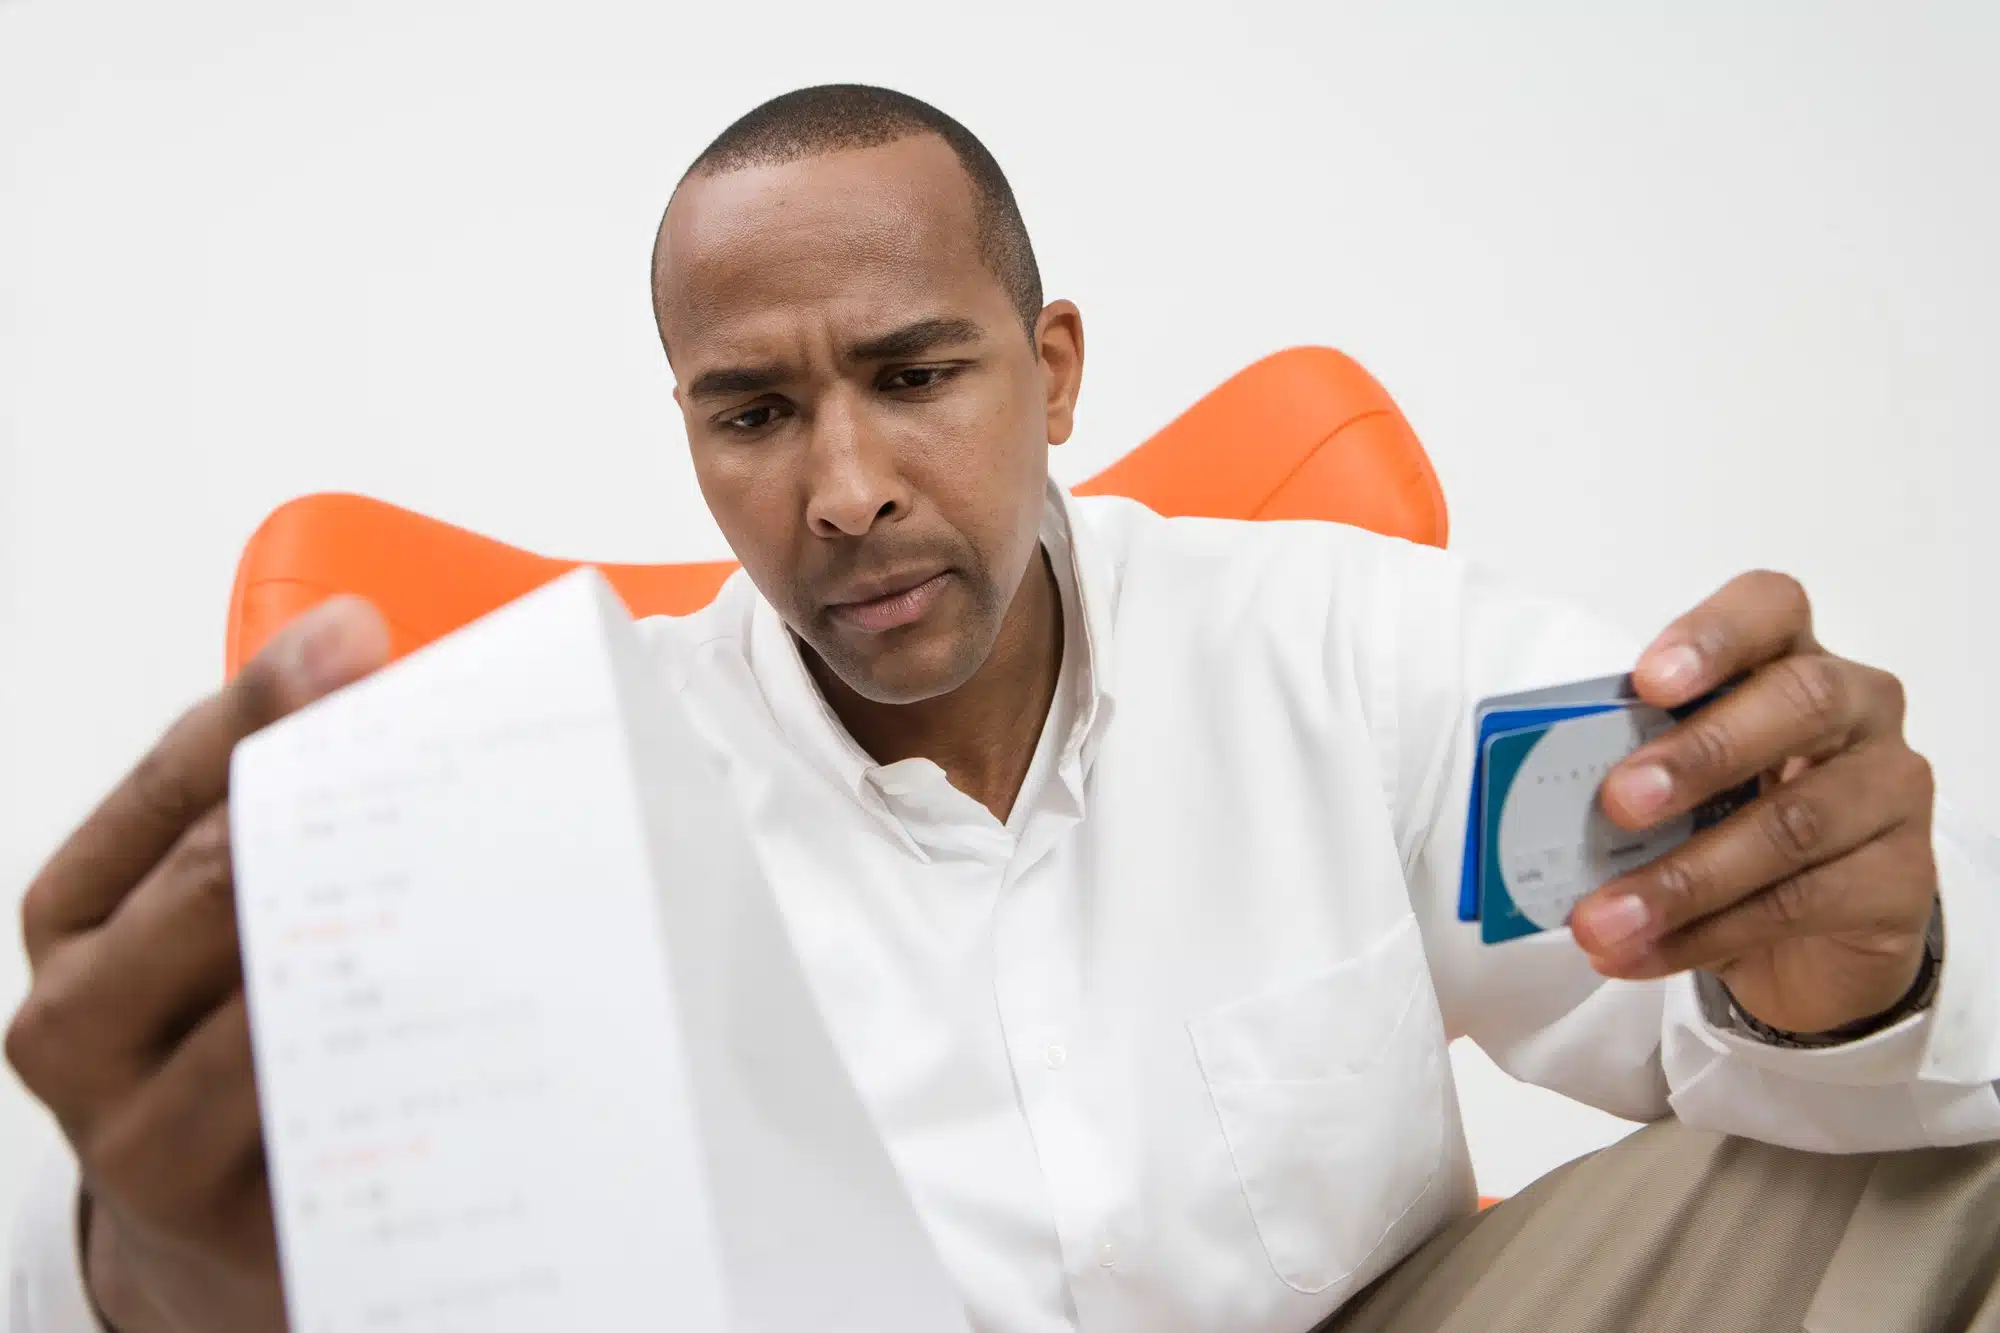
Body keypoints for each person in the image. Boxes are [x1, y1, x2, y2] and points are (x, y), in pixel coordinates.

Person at [8, 83, 1999, 1333]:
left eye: (913, 375)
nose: (843, 486)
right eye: (754, 412)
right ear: (688, 431)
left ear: (1050, 371)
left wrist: (1851, 979)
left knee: (1944, 1153)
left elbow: (1747, 1030)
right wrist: (144, 1263)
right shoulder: (559, 809)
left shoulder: (1341, 641)